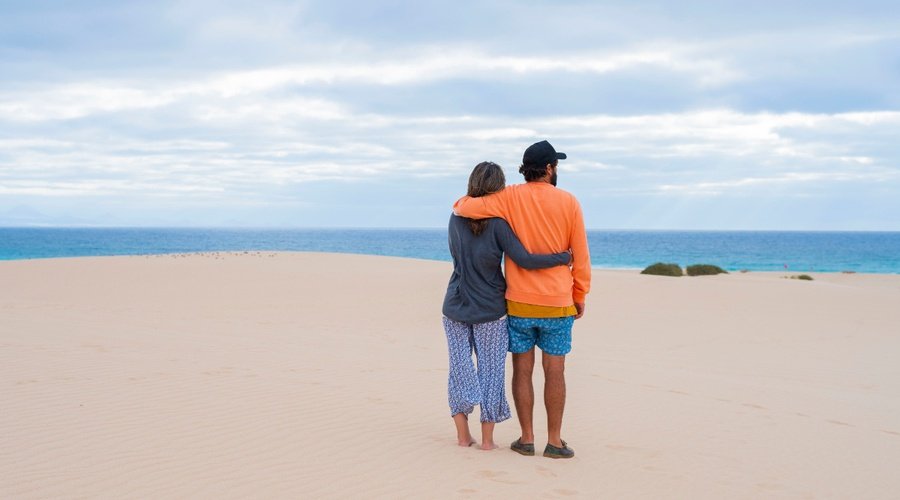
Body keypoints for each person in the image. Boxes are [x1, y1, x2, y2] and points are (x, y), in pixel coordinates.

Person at [453, 140, 590, 459]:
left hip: (519, 303)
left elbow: (464, 206)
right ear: (548, 169)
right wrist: (579, 294)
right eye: (556, 165)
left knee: (522, 370)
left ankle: (526, 438)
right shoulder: (569, 202)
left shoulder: (510, 196)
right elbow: (580, 257)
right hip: (557, 303)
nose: (557, 170)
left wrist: (462, 199)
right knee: (555, 371)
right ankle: (554, 441)